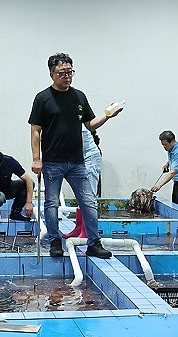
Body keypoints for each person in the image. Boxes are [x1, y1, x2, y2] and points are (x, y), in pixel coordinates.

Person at [28, 53, 121, 259]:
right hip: (52, 162)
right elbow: (36, 130)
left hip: (77, 162)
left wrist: (108, 115)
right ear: (51, 74)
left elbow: (90, 124)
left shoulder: (79, 96)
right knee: (51, 203)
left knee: (88, 201)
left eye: (70, 72)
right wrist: (36, 159)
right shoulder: (43, 98)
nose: (67, 76)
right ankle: (54, 240)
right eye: (62, 73)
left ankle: (94, 243)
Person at [151, 130, 178, 209]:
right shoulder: (171, 148)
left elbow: (172, 172)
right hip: (177, 181)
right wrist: (167, 164)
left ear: (172, 141)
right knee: (175, 205)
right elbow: (173, 159)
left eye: (165, 144)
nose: (164, 147)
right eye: (162, 145)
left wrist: (159, 185)